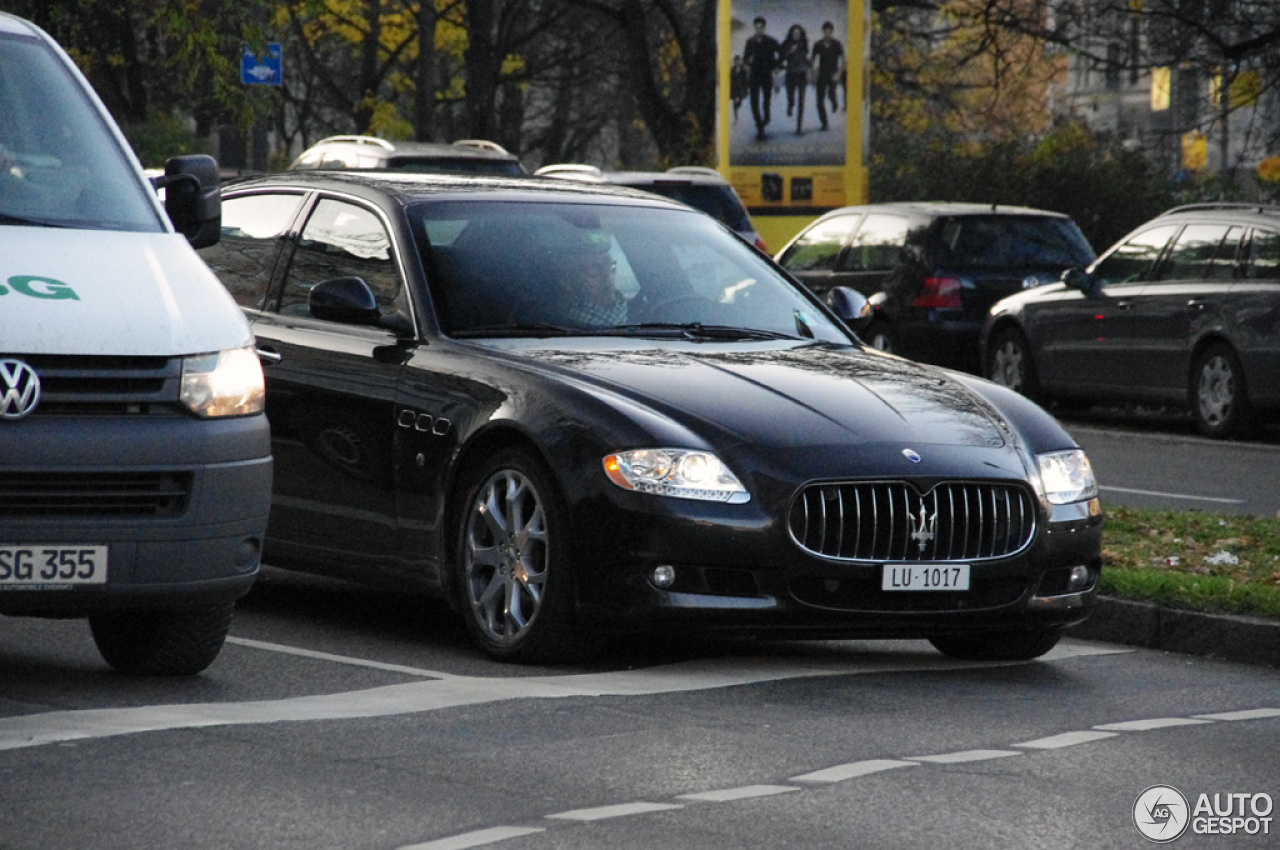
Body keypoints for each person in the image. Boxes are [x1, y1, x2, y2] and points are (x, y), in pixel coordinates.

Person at [552, 229, 627, 327]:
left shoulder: (620, 308)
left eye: (608, 264)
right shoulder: (569, 323)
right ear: (567, 282)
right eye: (593, 272)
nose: (607, 276)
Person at [743, 16, 780, 140]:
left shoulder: (771, 41)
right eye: (756, 27)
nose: (759, 30)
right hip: (754, 75)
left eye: (761, 27)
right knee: (754, 101)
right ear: (754, 28)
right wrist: (748, 60)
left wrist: (776, 66)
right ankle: (759, 125)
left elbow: (781, 53)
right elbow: (745, 59)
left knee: (766, 100)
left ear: (764, 28)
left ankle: (767, 117)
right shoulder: (750, 42)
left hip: (766, 74)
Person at [811, 21, 844, 131]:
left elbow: (843, 60)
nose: (827, 34)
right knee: (819, 100)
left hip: (833, 73)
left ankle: (834, 102)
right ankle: (824, 123)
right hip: (822, 73)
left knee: (831, 93)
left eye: (829, 31)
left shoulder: (837, 44)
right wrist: (813, 72)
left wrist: (839, 73)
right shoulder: (818, 44)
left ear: (831, 32)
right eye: (825, 31)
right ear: (823, 32)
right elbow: (813, 59)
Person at [780, 24, 809, 135]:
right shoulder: (786, 43)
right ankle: (790, 105)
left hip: (802, 74)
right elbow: (782, 56)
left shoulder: (804, 44)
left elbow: (805, 57)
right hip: (791, 74)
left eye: (798, 33)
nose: (796, 35)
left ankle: (799, 127)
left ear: (801, 34)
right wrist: (790, 51)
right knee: (791, 97)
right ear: (791, 34)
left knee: (801, 101)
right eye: (794, 33)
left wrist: (809, 67)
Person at [730, 55, 749, 123]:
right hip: (734, 89)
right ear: (734, 61)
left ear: (739, 61)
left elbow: (745, 79)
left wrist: (746, 88)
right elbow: (730, 79)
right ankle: (736, 117)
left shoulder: (743, 69)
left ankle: (737, 109)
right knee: (734, 103)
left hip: (741, 89)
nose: (737, 62)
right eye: (735, 61)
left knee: (740, 102)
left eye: (738, 61)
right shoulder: (732, 69)